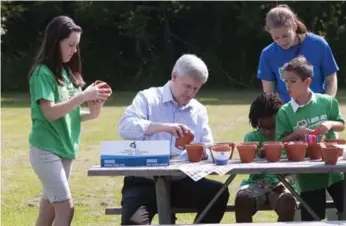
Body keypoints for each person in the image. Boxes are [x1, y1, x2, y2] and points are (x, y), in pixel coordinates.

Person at [118, 54, 230, 225]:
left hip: (181, 181)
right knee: (133, 222)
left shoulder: (198, 110)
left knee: (218, 192)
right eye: (187, 86)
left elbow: (207, 147)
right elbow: (125, 128)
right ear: (174, 76)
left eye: (195, 89)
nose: (190, 93)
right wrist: (163, 127)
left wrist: (200, 151)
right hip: (143, 181)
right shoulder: (148, 98)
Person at [28, 16, 111, 226]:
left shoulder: (66, 73)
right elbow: (51, 113)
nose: (74, 50)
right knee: (65, 208)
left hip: (65, 150)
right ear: (56, 42)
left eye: (77, 46)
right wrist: (82, 96)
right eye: (70, 45)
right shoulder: (42, 73)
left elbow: (71, 115)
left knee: (48, 213)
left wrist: (94, 108)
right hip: (46, 150)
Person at [275, 56, 345, 221]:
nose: (288, 85)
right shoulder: (285, 111)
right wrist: (297, 133)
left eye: (293, 81)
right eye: (286, 81)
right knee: (312, 219)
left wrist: (329, 124)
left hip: (335, 169)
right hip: (308, 174)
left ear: (307, 82)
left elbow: (341, 124)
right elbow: (280, 143)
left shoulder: (327, 102)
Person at [235, 93, 297, 222]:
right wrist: (258, 156)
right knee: (242, 199)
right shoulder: (251, 138)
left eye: (272, 127)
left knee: (287, 201)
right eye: (262, 127)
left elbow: (297, 170)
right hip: (257, 183)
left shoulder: (290, 138)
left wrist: (287, 182)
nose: (268, 132)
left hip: (284, 182)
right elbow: (247, 166)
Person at [257, 4, 339, 103]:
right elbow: (269, 94)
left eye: (285, 35)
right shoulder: (267, 54)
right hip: (286, 112)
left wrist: (327, 102)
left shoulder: (319, 44)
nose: (282, 42)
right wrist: (282, 114)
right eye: (276, 38)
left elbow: (331, 80)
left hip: (318, 110)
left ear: (294, 27)